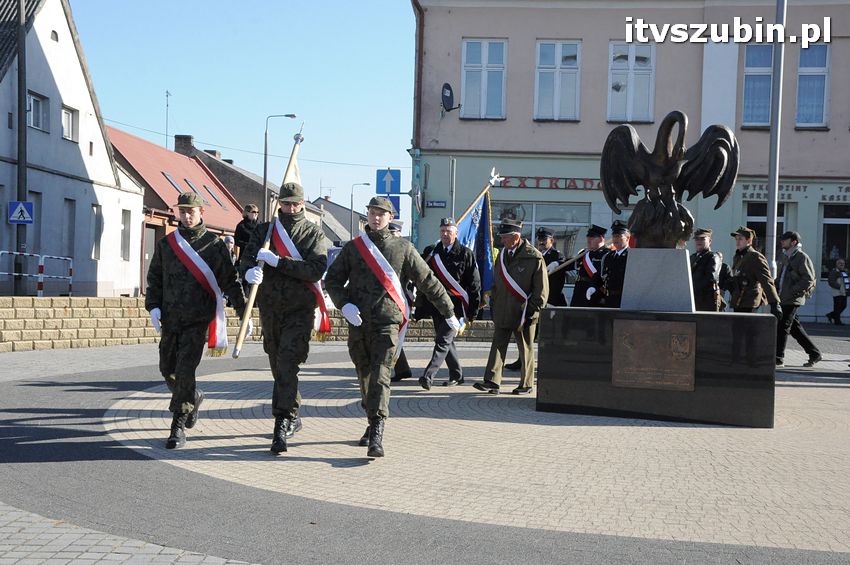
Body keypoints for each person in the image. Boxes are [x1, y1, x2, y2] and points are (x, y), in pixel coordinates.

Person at [325, 197, 459, 457]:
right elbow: (332, 281)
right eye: (373, 212)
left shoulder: (403, 248)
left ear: (390, 217)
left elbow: (427, 281)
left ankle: (377, 430)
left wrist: (449, 311)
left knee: (381, 375)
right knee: (364, 375)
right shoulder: (354, 248)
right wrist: (344, 305)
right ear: (368, 215)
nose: (376, 218)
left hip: (387, 321)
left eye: (382, 214)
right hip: (358, 322)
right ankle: (371, 417)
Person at [145, 192, 248, 450]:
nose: (187, 216)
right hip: (171, 318)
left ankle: (177, 425)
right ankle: (192, 396)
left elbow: (230, 281)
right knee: (166, 368)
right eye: (183, 211)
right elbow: (155, 278)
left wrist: (243, 311)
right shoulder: (167, 244)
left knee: (184, 370)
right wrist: (153, 307)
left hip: (198, 319)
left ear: (202, 212)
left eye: (191, 211)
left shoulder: (213, 246)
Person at [240, 182, 329, 454]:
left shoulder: (312, 233)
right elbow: (246, 259)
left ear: (302, 204)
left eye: (295, 204)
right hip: (270, 308)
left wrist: (279, 262)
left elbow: (316, 269)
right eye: (286, 203)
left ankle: (281, 421)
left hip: (299, 309)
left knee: (288, 362)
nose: (290, 208)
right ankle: (292, 412)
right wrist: (247, 274)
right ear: (279, 203)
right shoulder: (265, 230)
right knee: (278, 365)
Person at [473, 219, 548, 395]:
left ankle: (526, 384)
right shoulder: (502, 254)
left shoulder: (534, 257)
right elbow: (499, 281)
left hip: (524, 312)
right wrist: (493, 300)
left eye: (505, 237)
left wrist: (534, 310)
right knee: (497, 344)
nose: (502, 240)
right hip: (503, 309)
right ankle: (492, 381)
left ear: (515, 237)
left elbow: (542, 290)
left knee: (525, 348)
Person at [415, 217, 481, 389]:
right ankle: (457, 375)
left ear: (456, 233)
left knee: (442, 341)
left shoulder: (465, 253)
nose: (445, 234)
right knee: (446, 341)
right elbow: (421, 275)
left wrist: (472, 311)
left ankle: (428, 376)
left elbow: (474, 284)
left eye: (449, 231)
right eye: (442, 231)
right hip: (436, 305)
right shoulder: (431, 252)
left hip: (456, 307)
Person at [505, 226, 563, 370]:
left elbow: (568, 263)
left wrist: (558, 264)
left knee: (549, 335)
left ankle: (549, 362)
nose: (541, 243)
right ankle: (522, 361)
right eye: (539, 240)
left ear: (552, 240)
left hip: (551, 300)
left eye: (544, 240)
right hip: (531, 301)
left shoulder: (557, 256)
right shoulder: (533, 255)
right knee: (527, 334)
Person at [776, 231, 821, 368]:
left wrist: (791, 291)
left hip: (792, 299)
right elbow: (782, 276)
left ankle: (778, 358)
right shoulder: (786, 256)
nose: (782, 241)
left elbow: (808, 279)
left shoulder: (801, 257)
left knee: (783, 327)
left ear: (794, 242)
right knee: (794, 328)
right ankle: (814, 353)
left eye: (785, 239)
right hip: (783, 297)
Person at [728, 226, 781, 315]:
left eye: (740, 239)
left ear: (749, 241)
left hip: (749, 300)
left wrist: (774, 303)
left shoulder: (755, 256)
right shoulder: (738, 256)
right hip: (738, 300)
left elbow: (766, 280)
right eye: (736, 239)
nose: (737, 241)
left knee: (747, 327)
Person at [387, 221, 414, 382]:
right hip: (388, 299)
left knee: (394, 335)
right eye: (389, 233)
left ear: (399, 234)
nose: (391, 236)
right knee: (393, 335)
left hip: (401, 299)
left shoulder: (405, 250)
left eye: (394, 234)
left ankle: (399, 368)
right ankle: (402, 368)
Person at [589, 220, 630, 308]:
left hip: (624, 299)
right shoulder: (608, 256)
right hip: (609, 299)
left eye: (618, 236)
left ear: (627, 238)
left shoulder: (631, 256)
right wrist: (593, 286)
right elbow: (600, 275)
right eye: (614, 236)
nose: (615, 239)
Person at [567, 224, 609, 307]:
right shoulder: (584, 253)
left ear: (601, 238)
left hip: (594, 292)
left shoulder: (606, 254)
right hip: (579, 291)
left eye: (593, 237)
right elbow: (570, 264)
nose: (589, 240)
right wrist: (557, 263)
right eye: (588, 237)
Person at [690, 228, 723, 311]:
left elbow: (711, 278)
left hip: (706, 300)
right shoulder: (692, 257)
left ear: (710, 241)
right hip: (693, 300)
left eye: (702, 239)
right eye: (697, 239)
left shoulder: (713, 257)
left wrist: (692, 289)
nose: (699, 241)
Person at [827, 258, 848, 325]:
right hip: (837, 292)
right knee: (837, 306)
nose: (842, 264)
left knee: (843, 305)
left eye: (843, 263)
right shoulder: (833, 272)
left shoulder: (845, 272)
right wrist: (840, 287)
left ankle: (831, 315)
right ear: (837, 264)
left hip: (844, 292)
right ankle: (837, 321)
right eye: (840, 263)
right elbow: (831, 282)